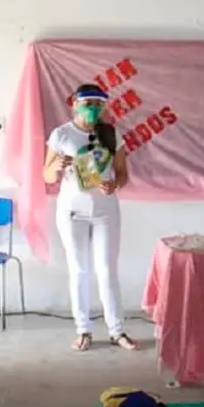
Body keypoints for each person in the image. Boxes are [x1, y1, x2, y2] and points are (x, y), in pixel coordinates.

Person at [43, 84, 137, 352]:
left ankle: (117, 330)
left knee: (107, 271)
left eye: (98, 103)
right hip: (72, 212)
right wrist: (56, 166)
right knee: (79, 270)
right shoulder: (61, 135)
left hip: (105, 210)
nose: (93, 108)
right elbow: (46, 175)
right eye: (88, 103)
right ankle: (83, 329)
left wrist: (114, 185)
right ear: (74, 104)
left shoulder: (110, 134)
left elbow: (122, 173)